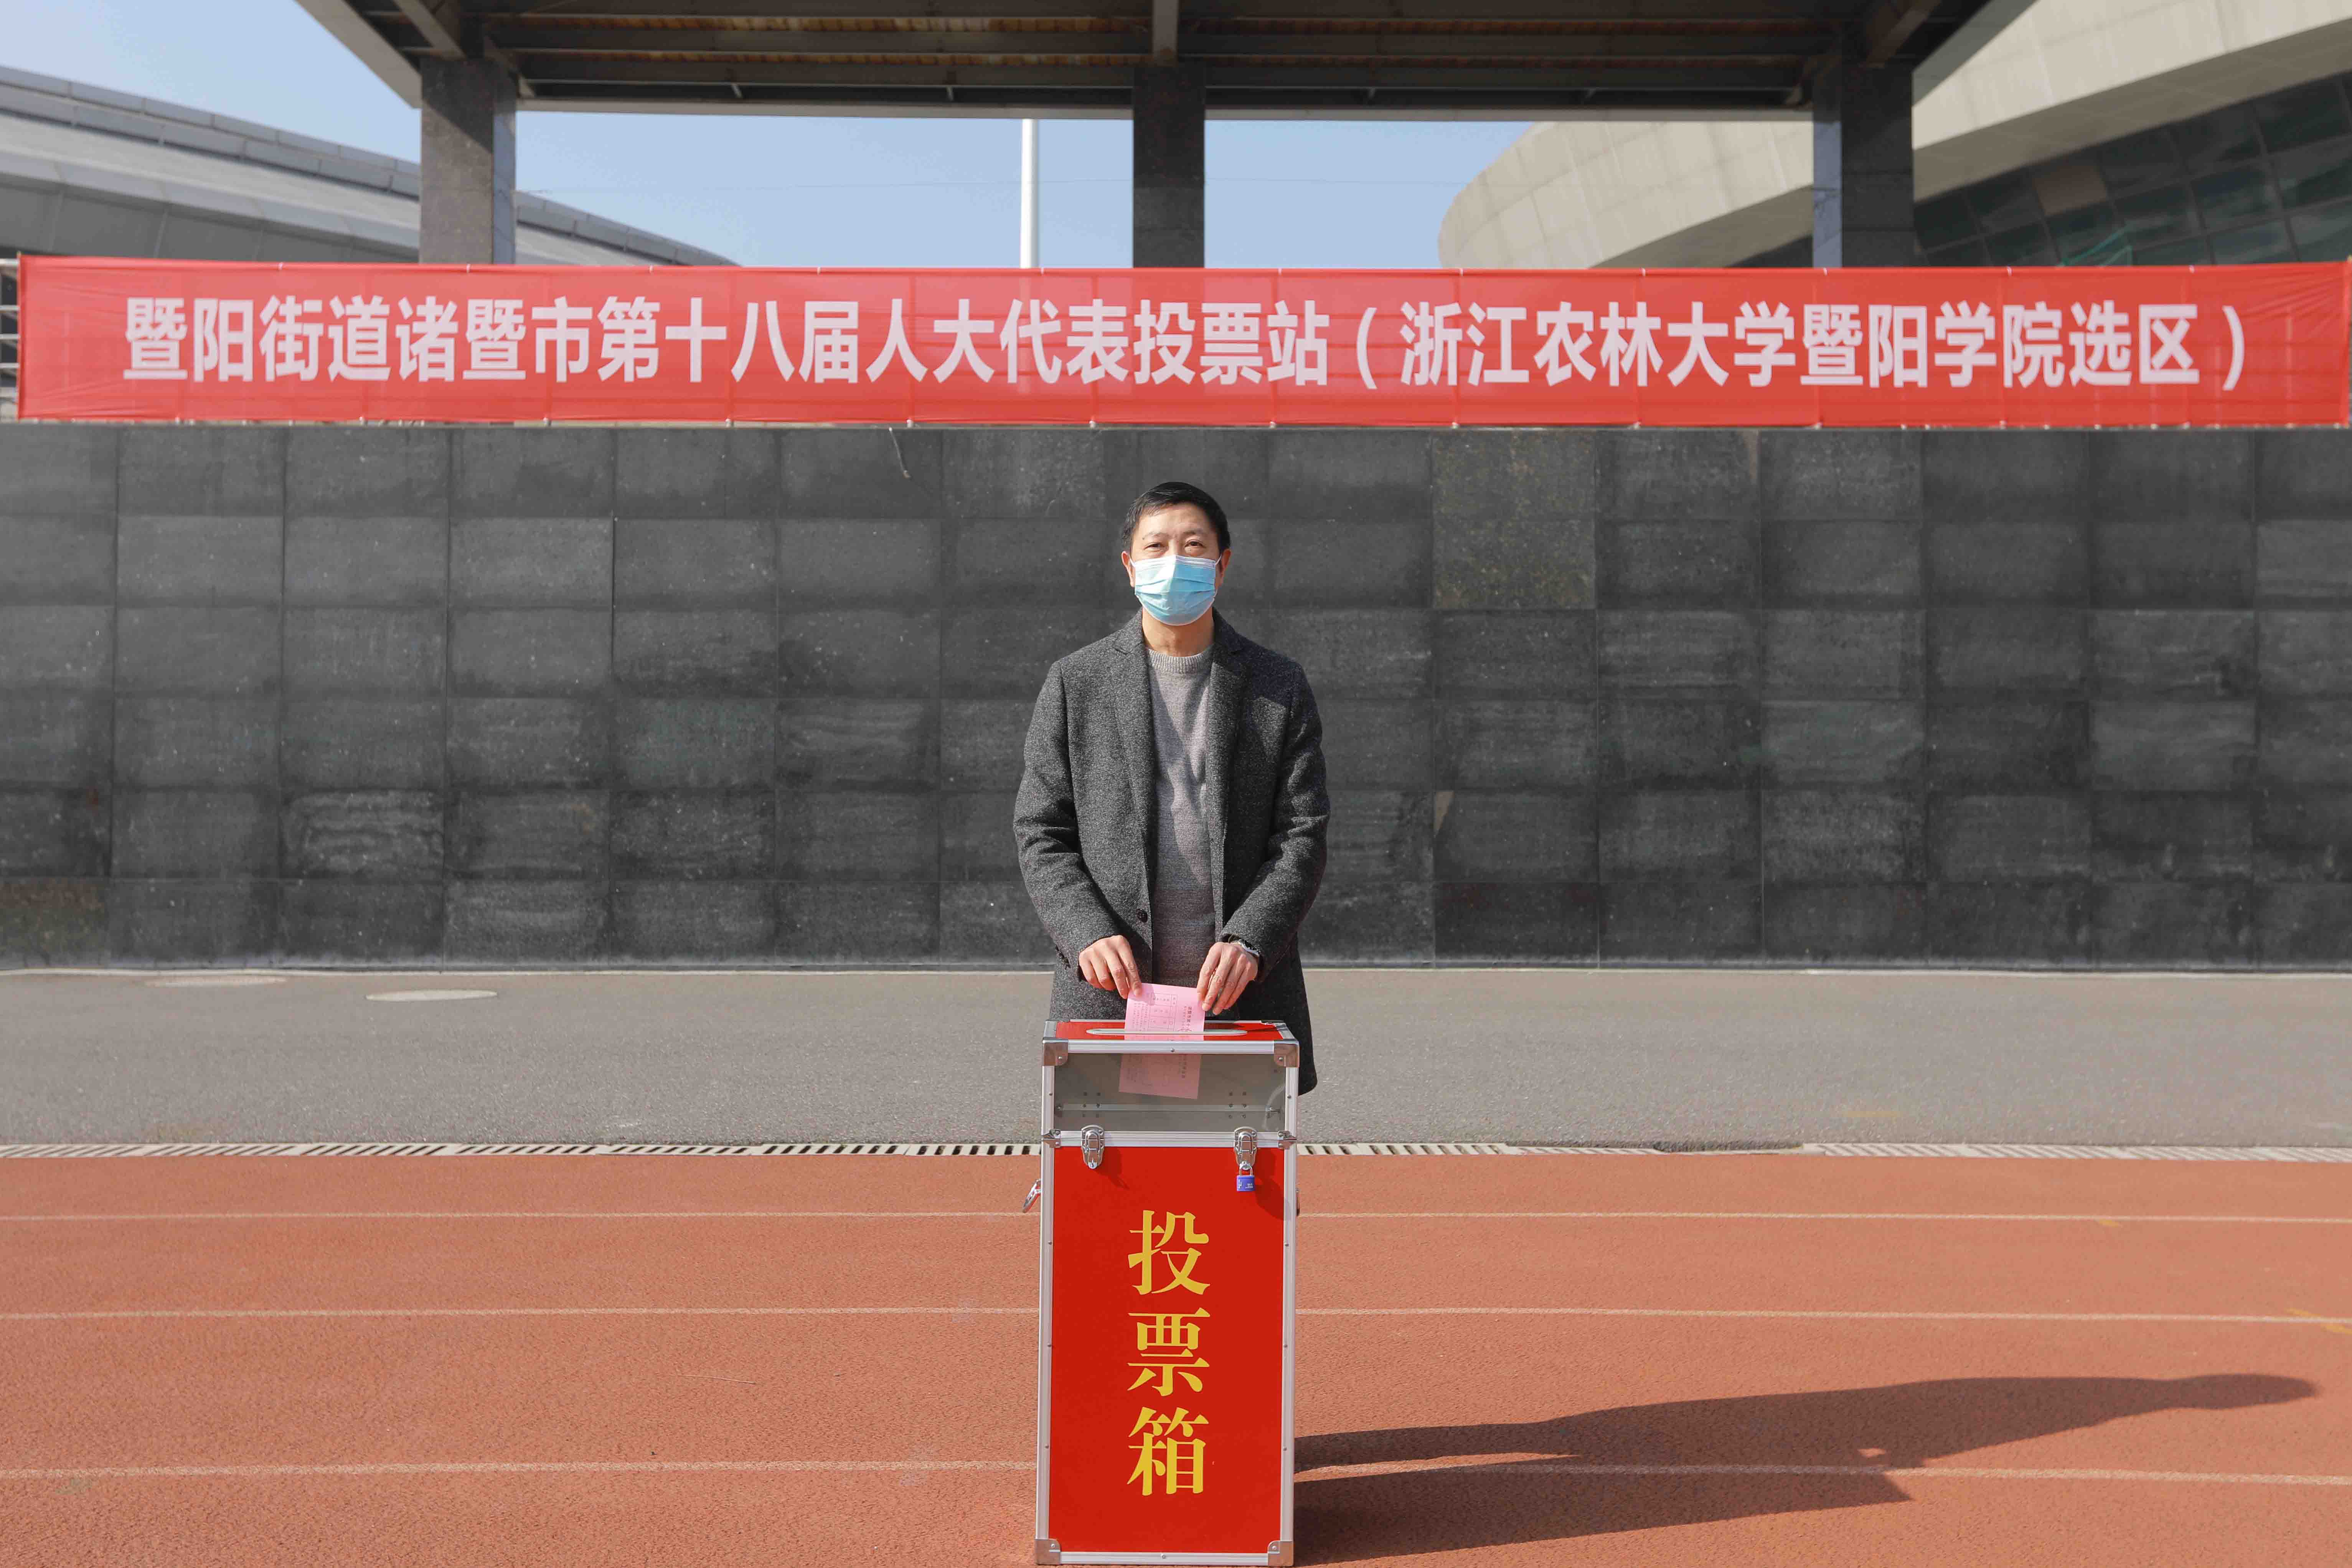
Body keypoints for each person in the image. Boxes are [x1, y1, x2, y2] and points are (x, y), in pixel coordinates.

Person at [1014, 480, 1330, 1091]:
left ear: (1222, 564)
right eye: (1156, 547)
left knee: (1242, 1151)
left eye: (1193, 546)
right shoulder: (1077, 682)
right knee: (1113, 1152)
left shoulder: (1276, 684)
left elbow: (1302, 832)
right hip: (1113, 989)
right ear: (1130, 565)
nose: (1174, 562)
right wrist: (1086, 931)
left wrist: (1251, 939)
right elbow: (1040, 829)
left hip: (1241, 988)